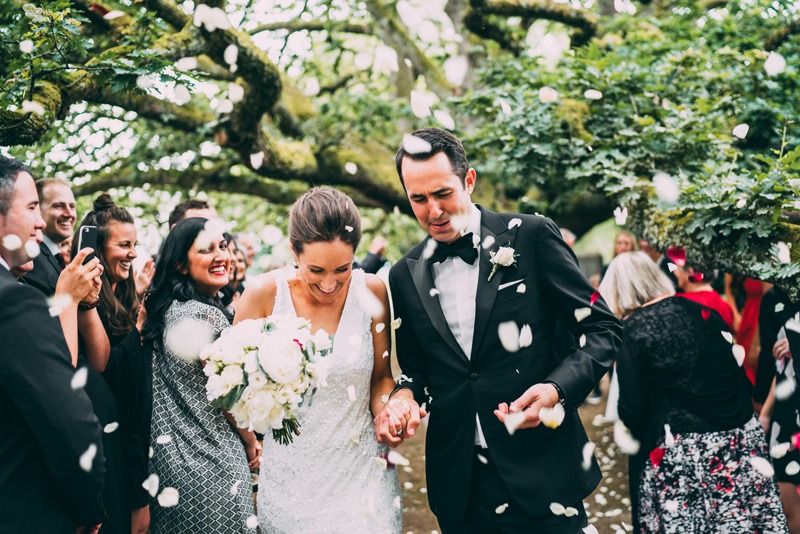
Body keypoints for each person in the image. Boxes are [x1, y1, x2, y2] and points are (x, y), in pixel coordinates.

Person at [387, 128, 622, 532]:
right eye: (418, 199)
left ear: (470, 180)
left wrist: (556, 390)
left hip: (543, 468)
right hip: (460, 486)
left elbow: (602, 327)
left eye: (443, 194)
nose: (433, 211)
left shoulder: (531, 236)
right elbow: (416, 370)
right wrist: (404, 396)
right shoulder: (403, 275)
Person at [235, 187, 410, 533]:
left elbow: (380, 377)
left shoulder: (372, 291)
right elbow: (232, 384)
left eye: (342, 269)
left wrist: (388, 410)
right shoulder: (263, 295)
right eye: (315, 270)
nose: (330, 284)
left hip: (363, 475)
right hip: (291, 482)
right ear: (293, 252)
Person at [600, 251, 787, 533]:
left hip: (687, 455)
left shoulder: (633, 331)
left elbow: (633, 411)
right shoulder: (707, 315)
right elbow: (736, 378)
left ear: (617, 292)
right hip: (740, 441)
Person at [0, 156, 106, 533]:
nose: (41, 222)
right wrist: (87, 509)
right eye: (32, 208)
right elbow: (70, 425)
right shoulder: (11, 300)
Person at [143, 218, 258, 533]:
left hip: (168, 465)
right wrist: (250, 441)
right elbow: (228, 394)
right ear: (181, 264)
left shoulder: (166, 311)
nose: (222, 256)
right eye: (208, 250)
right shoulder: (206, 316)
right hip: (214, 463)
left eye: (223, 246)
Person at [75, 194, 152, 533]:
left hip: (131, 445)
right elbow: (103, 366)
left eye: (134, 244)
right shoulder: (89, 301)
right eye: (124, 245)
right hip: (109, 443)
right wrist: (137, 330)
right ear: (97, 248)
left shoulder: (125, 295)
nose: (132, 253)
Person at [23, 177, 77, 294]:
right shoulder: (29, 258)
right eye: (59, 206)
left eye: (72, 206)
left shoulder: (62, 258)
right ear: (37, 209)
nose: (69, 214)